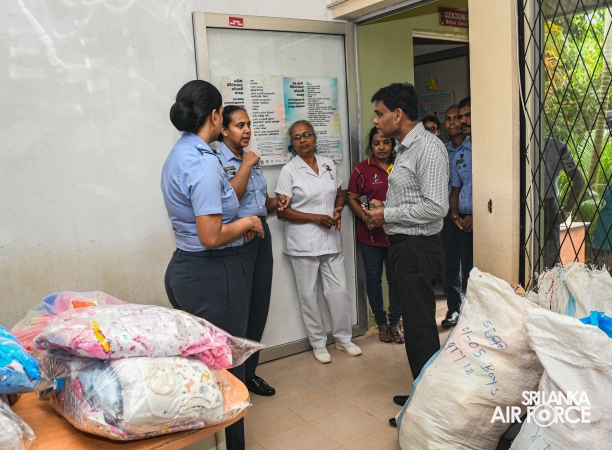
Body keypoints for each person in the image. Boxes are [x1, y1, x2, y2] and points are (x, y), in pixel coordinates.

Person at [161, 80, 264, 450]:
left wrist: (236, 225)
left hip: (187, 269)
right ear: (216, 116)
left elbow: (217, 207)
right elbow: (210, 234)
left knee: (208, 364)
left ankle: (216, 439)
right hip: (212, 273)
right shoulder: (203, 162)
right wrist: (248, 222)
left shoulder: (181, 152)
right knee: (230, 366)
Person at [363, 83, 448, 427]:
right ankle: (421, 392)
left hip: (417, 248)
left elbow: (436, 207)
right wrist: (387, 206)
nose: (376, 120)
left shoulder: (427, 148)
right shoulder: (406, 148)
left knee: (420, 328)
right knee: (414, 327)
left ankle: (429, 411)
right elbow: (414, 198)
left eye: (380, 113)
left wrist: (388, 214)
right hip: (405, 246)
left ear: (398, 115)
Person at [217, 105, 290, 397]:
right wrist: (246, 165)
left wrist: (276, 202)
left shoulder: (251, 160)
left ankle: (250, 375)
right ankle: (234, 379)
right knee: (239, 313)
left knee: (259, 308)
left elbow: (260, 204)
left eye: (248, 124)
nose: (246, 130)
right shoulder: (217, 161)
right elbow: (228, 202)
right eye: (239, 125)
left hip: (261, 236)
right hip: (238, 241)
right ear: (223, 130)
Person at [276, 119, 362, 364]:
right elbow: (282, 212)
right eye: (297, 137)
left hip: (331, 239)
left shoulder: (328, 164)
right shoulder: (289, 171)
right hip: (303, 243)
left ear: (314, 138)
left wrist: (337, 210)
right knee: (309, 296)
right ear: (292, 144)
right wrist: (314, 218)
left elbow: (339, 195)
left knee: (339, 292)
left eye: (306, 135)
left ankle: (343, 339)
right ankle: (318, 343)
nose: (303, 140)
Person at [347, 127, 403, 344]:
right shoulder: (362, 169)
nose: (381, 147)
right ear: (371, 145)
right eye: (377, 143)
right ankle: (381, 323)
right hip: (370, 236)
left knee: (396, 280)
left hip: (396, 234)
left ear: (393, 145)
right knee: (373, 279)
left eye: (386, 143)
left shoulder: (401, 166)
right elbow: (352, 198)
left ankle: (395, 322)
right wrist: (365, 216)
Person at [441, 104, 469, 329]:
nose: (452, 122)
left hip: (471, 214)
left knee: (470, 265)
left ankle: (472, 311)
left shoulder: (475, 147)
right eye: (448, 118)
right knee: (451, 264)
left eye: (457, 117)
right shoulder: (443, 150)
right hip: (449, 214)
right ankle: (453, 308)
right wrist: (453, 213)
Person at [542, 136, 585, 268]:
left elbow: (579, 180)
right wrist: (566, 211)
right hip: (547, 203)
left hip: (548, 205)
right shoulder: (557, 146)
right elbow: (579, 180)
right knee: (550, 260)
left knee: (550, 260)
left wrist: (566, 211)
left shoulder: (558, 148)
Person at [450, 97, 474, 290]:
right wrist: (455, 214)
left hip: (486, 221)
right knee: (469, 274)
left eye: (468, 115)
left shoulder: (490, 150)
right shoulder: (460, 154)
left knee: (486, 274)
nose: (463, 121)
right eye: (461, 116)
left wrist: (478, 216)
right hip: (464, 223)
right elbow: (456, 190)